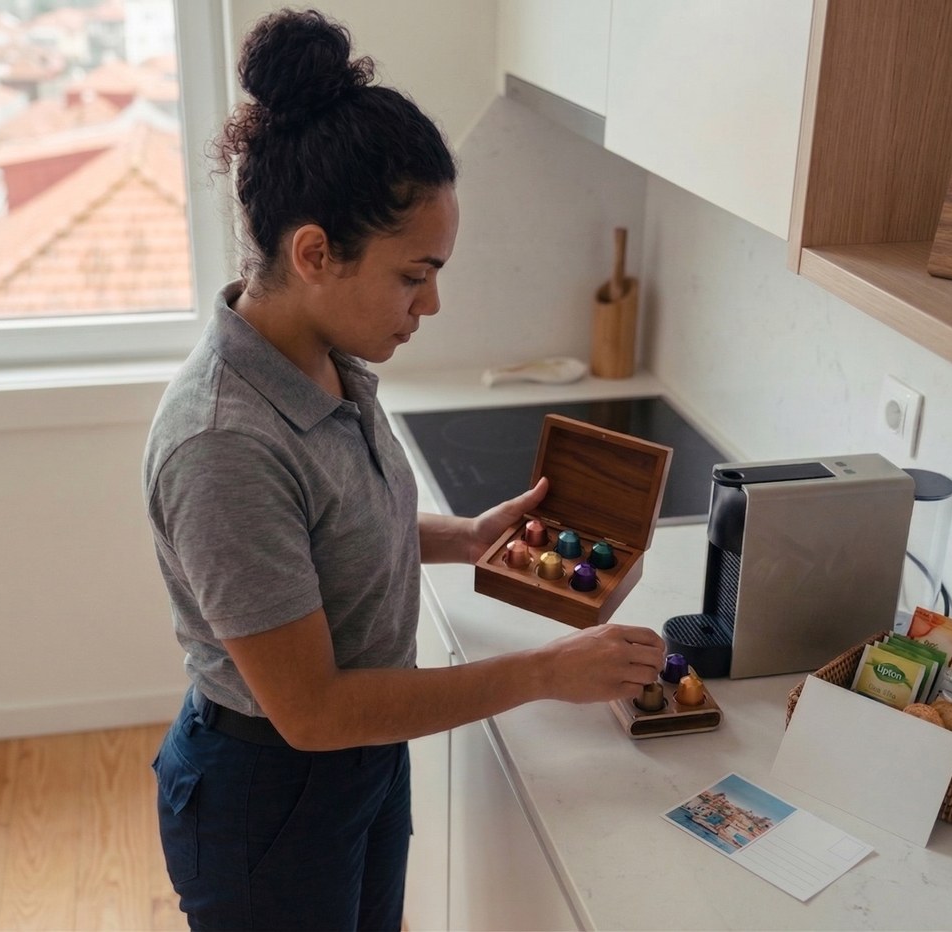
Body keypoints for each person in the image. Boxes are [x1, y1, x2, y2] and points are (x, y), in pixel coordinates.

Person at [143, 9, 666, 930]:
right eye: (413, 274)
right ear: (314, 254)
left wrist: (462, 540)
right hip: (271, 789)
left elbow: (331, 534)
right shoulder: (222, 446)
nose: (433, 302)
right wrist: (544, 670)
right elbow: (311, 710)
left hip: (364, 755)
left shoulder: (328, 361)